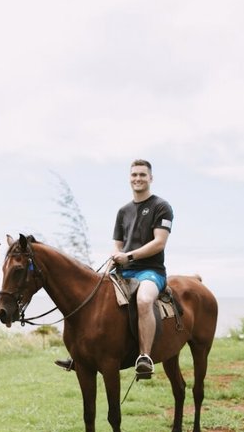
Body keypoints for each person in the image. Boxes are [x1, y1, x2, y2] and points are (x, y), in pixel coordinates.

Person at [56, 159, 173, 379]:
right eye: (134, 175)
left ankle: (144, 357)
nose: (138, 179)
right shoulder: (123, 211)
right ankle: (80, 354)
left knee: (144, 300)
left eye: (142, 175)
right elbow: (118, 244)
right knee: (89, 297)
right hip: (123, 271)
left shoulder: (161, 206)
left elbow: (159, 242)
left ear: (151, 178)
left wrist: (129, 255)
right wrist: (116, 256)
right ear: (130, 178)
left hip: (151, 271)